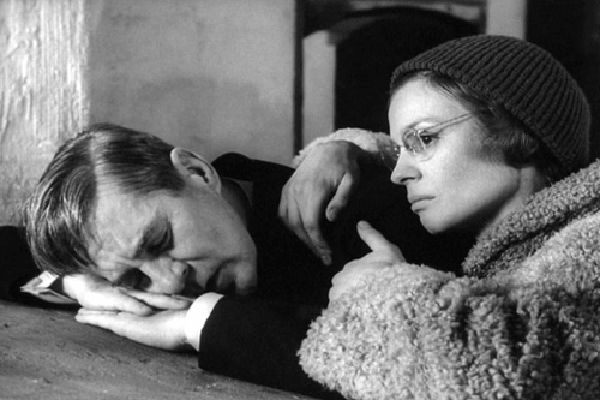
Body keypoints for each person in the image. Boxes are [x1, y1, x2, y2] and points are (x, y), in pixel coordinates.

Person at [1, 123, 464, 398]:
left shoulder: (352, 210)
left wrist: (197, 324)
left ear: (198, 172)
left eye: (161, 240)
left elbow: (430, 361)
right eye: (135, 276)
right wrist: (77, 283)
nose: (170, 283)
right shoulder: (123, 245)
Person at [287, 35, 599, 399]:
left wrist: (379, 293)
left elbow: (516, 374)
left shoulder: (591, 240)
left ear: (518, 133)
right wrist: (341, 150)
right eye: (399, 151)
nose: (399, 173)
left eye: (423, 138)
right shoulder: (503, 246)